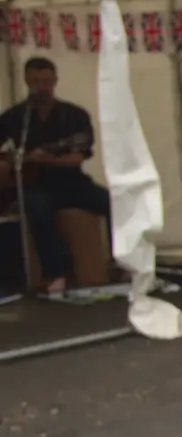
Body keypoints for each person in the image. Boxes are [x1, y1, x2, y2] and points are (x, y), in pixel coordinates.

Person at [0, 58, 108, 295]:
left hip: (72, 182)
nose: (41, 87)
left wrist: (45, 158)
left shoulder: (75, 115)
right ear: (27, 81)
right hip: (34, 184)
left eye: (46, 81)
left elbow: (77, 157)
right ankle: (55, 274)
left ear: (55, 81)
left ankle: (124, 265)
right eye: (36, 81)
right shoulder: (15, 118)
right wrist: (8, 163)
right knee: (39, 208)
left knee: (114, 202)